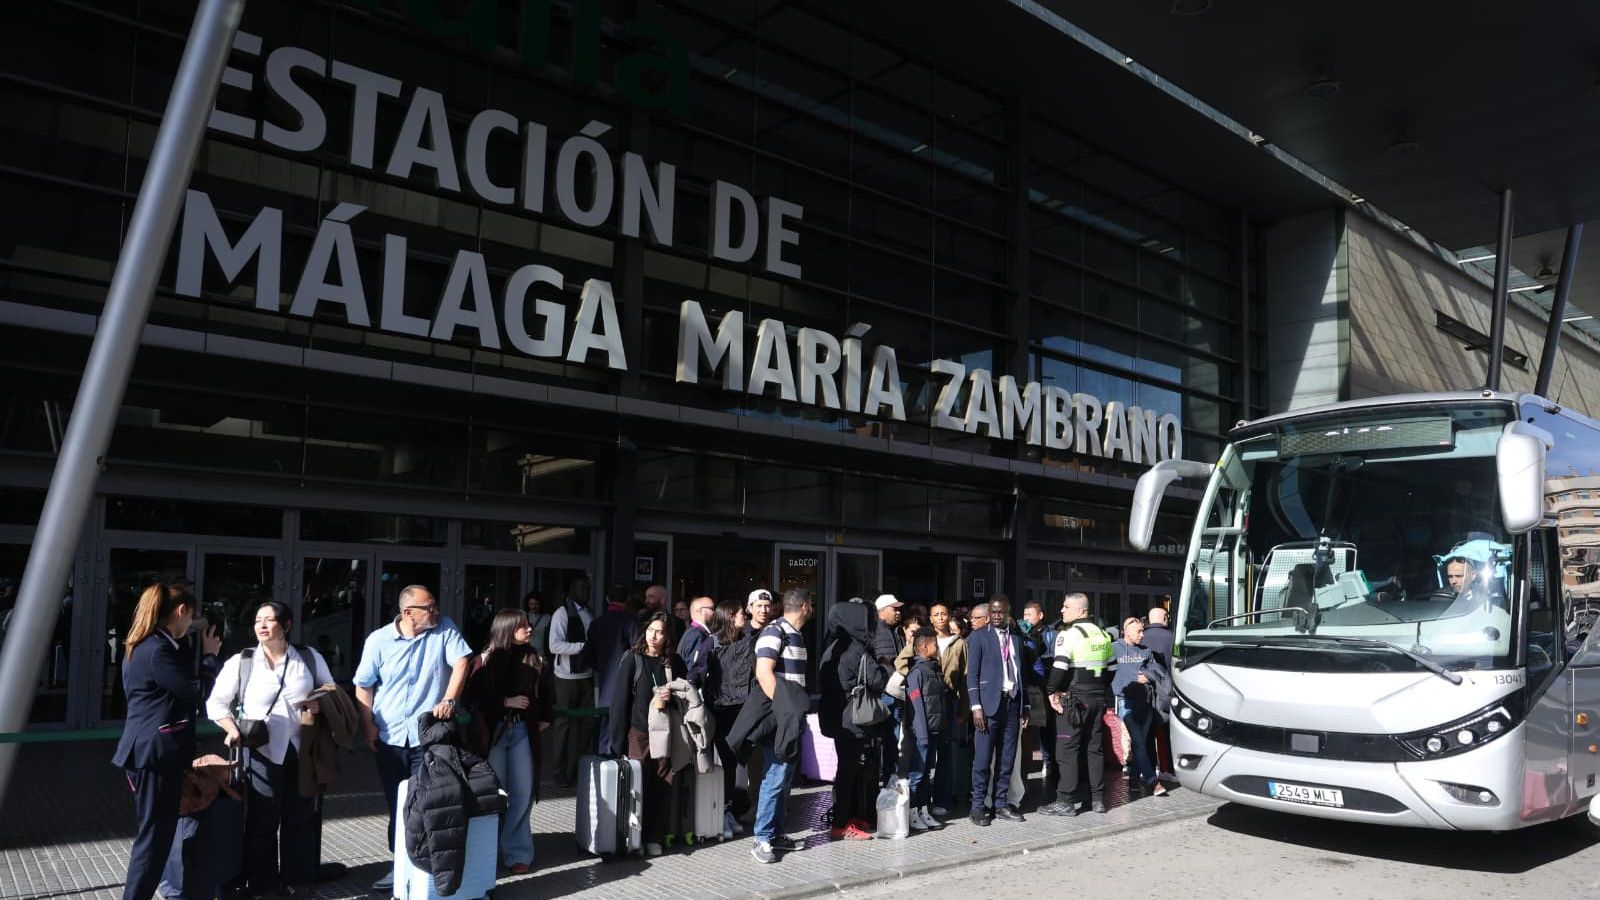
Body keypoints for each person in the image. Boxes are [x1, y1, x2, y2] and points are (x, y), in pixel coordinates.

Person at [206, 601, 334, 896]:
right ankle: (263, 884)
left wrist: (318, 702)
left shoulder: (308, 657)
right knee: (262, 820)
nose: (261, 625)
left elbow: (330, 689)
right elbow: (216, 703)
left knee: (300, 817)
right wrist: (231, 729)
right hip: (261, 749)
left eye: (269, 619)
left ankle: (298, 881)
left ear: (286, 626)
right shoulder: (243, 661)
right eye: (257, 620)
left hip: (303, 748)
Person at [352, 584, 471, 892]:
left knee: (426, 804)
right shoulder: (378, 640)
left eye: (434, 606)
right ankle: (399, 868)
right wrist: (368, 727)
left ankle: (425, 873)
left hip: (427, 737)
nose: (436, 611)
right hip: (390, 736)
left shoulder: (444, 628)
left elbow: (461, 662)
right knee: (397, 805)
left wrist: (448, 699)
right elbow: (364, 686)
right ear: (408, 612)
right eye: (429, 607)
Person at [113, 582, 222, 900]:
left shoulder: (149, 645)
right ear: (181, 611)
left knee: (157, 837)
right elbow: (197, 691)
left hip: (153, 755)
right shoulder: (157, 650)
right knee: (154, 839)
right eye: (191, 617)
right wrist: (211, 658)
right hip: (154, 757)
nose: (192, 625)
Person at [463, 609, 551, 875]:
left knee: (522, 793)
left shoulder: (534, 658)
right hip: (494, 733)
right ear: (507, 629)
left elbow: (545, 693)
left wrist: (545, 716)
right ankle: (488, 851)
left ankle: (517, 853)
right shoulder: (485, 660)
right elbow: (470, 699)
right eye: (522, 625)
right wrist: (504, 702)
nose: (528, 629)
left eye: (528, 624)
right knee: (494, 794)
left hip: (523, 730)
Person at [609, 613, 686, 857]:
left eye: (660, 631)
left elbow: (685, 694)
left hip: (665, 731)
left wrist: (670, 697)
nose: (653, 636)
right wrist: (617, 742)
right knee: (637, 785)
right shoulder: (633, 659)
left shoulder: (673, 661)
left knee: (662, 784)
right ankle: (634, 838)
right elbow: (619, 702)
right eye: (650, 630)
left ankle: (655, 837)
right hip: (639, 732)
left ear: (667, 636)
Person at [748, 588, 813, 864]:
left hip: (791, 716)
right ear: (805, 607)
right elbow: (763, 671)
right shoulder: (776, 631)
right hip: (782, 717)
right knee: (775, 777)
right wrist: (784, 709)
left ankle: (776, 834)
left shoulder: (792, 633)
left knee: (784, 778)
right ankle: (761, 838)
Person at [818, 596, 887, 842]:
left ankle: (849, 816)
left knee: (845, 768)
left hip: (836, 716)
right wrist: (883, 666)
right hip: (853, 719)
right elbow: (878, 681)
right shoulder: (856, 650)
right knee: (849, 770)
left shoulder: (831, 646)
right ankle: (842, 822)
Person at [1040, 592, 1114, 817]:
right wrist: (1098, 690)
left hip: (1074, 699)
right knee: (1095, 749)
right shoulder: (1103, 634)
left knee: (1066, 750)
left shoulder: (1068, 635)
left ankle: (1065, 801)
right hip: (1097, 698)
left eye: (1066, 607)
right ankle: (1099, 800)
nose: (1062, 611)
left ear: (1081, 610)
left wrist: (1051, 691)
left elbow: (1060, 668)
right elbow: (1112, 670)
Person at [965, 596, 1029, 826]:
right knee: (982, 760)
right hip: (987, 705)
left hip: (1011, 704)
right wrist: (975, 706)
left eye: (1001, 612)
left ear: (1008, 612)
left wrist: (1026, 704)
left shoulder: (1016, 638)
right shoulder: (979, 637)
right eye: (993, 612)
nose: (997, 616)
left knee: (1007, 758)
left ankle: (1001, 804)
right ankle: (978, 806)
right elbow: (971, 673)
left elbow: (1022, 672)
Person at [547, 575, 595, 788]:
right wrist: (583, 647)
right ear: (571, 590)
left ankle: (578, 772)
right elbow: (554, 646)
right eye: (582, 588)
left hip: (586, 676)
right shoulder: (562, 613)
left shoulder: (589, 613)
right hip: (566, 678)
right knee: (563, 728)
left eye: (588, 588)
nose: (586, 592)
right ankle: (559, 774)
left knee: (586, 727)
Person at [1110, 616, 1167, 798]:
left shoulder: (1146, 652)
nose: (1142, 635)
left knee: (1139, 742)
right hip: (1125, 701)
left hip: (1146, 702)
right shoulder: (1114, 648)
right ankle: (1153, 781)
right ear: (1126, 631)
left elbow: (1158, 673)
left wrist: (1148, 677)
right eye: (1138, 631)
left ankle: (1134, 778)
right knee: (1139, 740)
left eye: (1143, 631)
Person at [710, 600, 753, 835]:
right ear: (729, 616)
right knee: (727, 762)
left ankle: (731, 810)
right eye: (740, 614)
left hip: (741, 709)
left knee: (737, 762)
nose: (744, 617)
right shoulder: (712, 643)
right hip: (721, 709)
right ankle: (724, 810)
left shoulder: (747, 642)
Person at [903, 627, 946, 832]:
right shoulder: (917, 673)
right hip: (922, 733)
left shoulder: (933, 669)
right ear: (925, 646)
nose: (937, 648)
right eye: (935, 644)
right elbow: (916, 707)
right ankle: (912, 814)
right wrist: (922, 734)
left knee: (926, 773)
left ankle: (923, 810)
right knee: (917, 775)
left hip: (934, 731)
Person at [589, 585, 640, 757]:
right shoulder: (630, 622)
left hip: (603, 684)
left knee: (604, 725)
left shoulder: (597, 623)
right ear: (626, 601)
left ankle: (603, 760)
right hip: (627, 683)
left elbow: (589, 654)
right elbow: (637, 651)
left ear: (607, 600)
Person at [927, 602, 967, 816]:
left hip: (949, 699)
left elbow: (964, 677)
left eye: (944, 613)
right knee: (923, 752)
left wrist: (963, 708)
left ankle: (943, 799)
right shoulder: (924, 638)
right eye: (936, 614)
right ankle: (921, 801)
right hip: (926, 700)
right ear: (930, 618)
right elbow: (902, 662)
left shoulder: (959, 643)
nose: (941, 617)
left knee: (945, 752)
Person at [677, 595, 718, 690]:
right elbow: (693, 667)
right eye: (712, 608)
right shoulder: (696, 634)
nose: (714, 612)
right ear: (700, 611)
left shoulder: (700, 632)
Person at [524, 591, 552, 660]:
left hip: (542, 655)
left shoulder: (547, 618)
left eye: (536, 604)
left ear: (541, 604)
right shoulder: (524, 616)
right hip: (527, 654)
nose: (533, 606)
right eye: (531, 604)